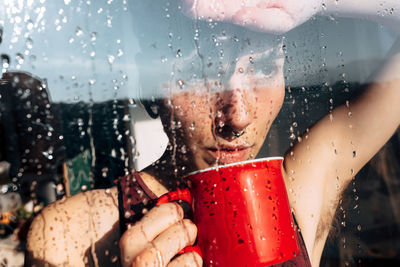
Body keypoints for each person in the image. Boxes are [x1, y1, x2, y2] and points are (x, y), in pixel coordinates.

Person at [25, 0, 400, 266]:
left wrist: (316, 2)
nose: (237, 117)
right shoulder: (74, 234)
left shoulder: (300, 192)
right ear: (146, 83)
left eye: (265, 67)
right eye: (203, 71)